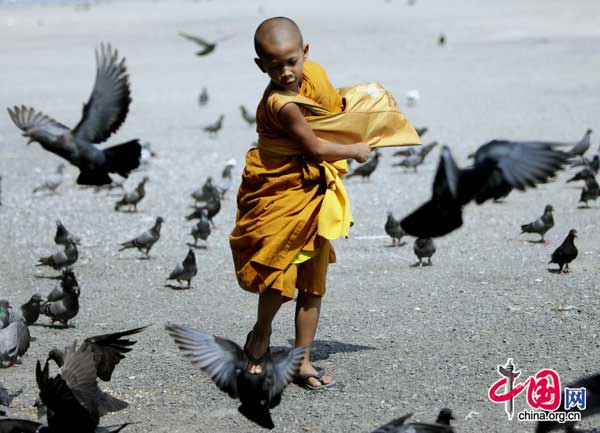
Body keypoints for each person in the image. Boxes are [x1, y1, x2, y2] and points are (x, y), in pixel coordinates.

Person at [230, 16, 419, 390]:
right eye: (275, 65)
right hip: (281, 192)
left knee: (313, 284)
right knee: (278, 276)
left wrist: (362, 112)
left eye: (292, 61)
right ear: (260, 66)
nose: (286, 72)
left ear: (305, 52)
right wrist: (357, 148)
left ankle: (301, 360)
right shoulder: (280, 103)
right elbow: (316, 147)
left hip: (313, 193)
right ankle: (260, 338)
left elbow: (330, 111)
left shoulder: (313, 74)